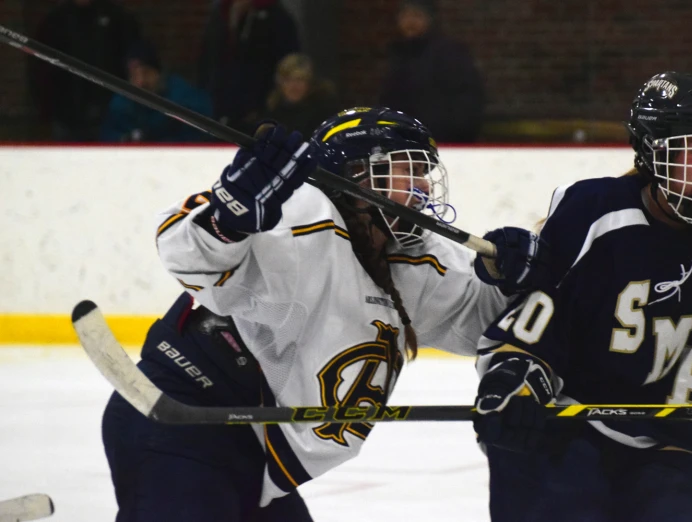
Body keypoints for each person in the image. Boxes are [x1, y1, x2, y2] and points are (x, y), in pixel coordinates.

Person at [100, 106, 549, 521]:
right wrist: (231, 215)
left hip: (254, 450)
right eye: (405, 169)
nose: (423, 186)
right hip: (184, 422)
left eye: (424, 171)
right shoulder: (301, 212)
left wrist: (509, 283)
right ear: (354, 176)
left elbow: (482, 323)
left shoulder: (412, 255)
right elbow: (185, 252)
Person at [472, 72, 692, 522]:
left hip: (664, 447)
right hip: (560, 431)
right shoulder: (598, 215)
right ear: (653, 152)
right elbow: (533, 329)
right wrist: (516, 376)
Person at [29, 0, 141, 141]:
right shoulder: (55, 20)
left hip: (110, 114)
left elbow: (132, 61)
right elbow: (40, 68)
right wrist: (46, 108)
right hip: (66, 116)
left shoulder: (118, 17)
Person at [378, 0, 484, 143]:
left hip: (444, 140)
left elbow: (466, 99)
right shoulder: (399, 55)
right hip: (406, 140)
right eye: (405, 16)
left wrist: (453, 132)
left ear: (430, 19)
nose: (410, 22)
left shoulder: (449, 53)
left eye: (416, 16)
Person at [198, 0, 301, 133]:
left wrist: (263, 106)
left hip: (259, 111)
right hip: (219, 104)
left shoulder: (276, 17)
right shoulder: (221, 13)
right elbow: (209, 58)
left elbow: (286, 64)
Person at [101, 41, 213, 143]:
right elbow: (108, 135)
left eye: (146, 73)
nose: (141, 82)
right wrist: (126, 139)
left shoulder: (183, 96)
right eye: (133, 75)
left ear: (158, 73)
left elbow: (200, 131)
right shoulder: (121, 102)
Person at [260, 53, 340, 137]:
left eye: (300, 80)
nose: (294, 86)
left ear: (310, 83)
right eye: (288, 80)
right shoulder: (271, 113)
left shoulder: (324, 112)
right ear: (280, 83)